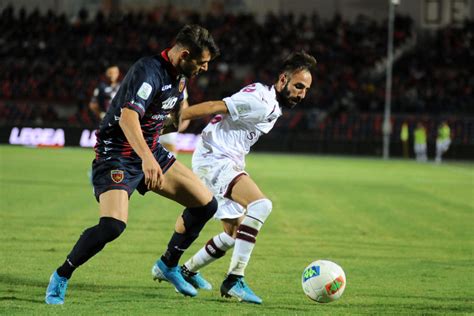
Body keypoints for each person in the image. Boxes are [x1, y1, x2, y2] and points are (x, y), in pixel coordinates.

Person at [45, 24, 220, 305]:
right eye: (202, 63)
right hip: (117, 154)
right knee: (113, 226)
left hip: (149, 150)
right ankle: (62, 275)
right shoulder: (148, 71)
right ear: (185, 54)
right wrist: (148, 159)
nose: (205, 69)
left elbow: (163, 121)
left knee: (206, 205)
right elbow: (128, 119)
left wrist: (196, 117)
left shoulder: (181, 77)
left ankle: (168, 265)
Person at [179, 51, 317, 304]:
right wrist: (174, 120)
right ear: (283, 80)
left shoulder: (268, 99)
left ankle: (186, 271)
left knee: (234, 233)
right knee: (261, 205)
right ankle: (234, 280)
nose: (302, 94)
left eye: (306, 89)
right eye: (298, 86)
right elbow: (213, 106)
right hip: (215, 159)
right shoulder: (261, 102)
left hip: (224, 159)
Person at [160, 88, 190, 157]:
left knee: (169, 157)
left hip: (167, 123)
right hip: (154, 122)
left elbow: (183, 105)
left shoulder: (181, 81)